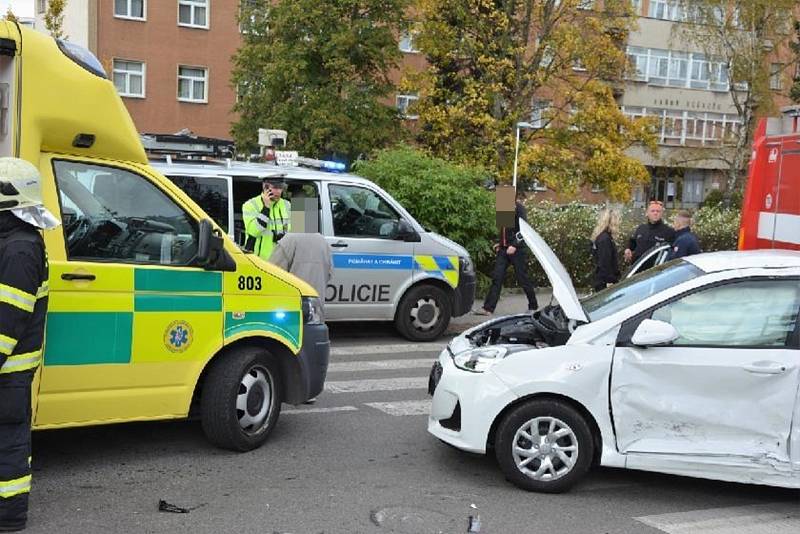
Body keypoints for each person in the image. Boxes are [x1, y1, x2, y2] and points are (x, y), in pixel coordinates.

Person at [0, 158, 60, 532]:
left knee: (8, 444)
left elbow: (8, 320)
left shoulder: (20, 248)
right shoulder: (12, 241)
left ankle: (9, 516)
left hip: (8, 372)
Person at [474, 192, 538, 316]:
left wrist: (514, 245)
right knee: (497, 278)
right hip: (504, 250)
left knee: (522, 278)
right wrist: (500, 243)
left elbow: (524, 230)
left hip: (517, 250)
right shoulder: (504, 207)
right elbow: (503, 229)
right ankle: (488, 308)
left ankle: (533, 306)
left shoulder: (519, 209)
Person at [269, 232, 333, 319]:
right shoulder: (323, 242)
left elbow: (272, 274)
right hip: (316, 310)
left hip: (292, 313)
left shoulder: (289, 241)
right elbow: (329, 273)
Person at [242, 178, 291, 261]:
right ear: (265, 187)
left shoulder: (287, 204)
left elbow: (297, 234)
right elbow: (253, 232)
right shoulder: (250, 205)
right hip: (259, 262)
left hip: (282, 261)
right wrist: (266, 207)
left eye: (281, 187)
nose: (279, 192)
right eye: (275, 187)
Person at [624, 200, 675, 264]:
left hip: (655, 271)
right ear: (647, 213)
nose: (655, 213)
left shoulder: (669, 232)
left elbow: (673, 253)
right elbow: (632, 243)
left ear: (662, 214)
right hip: (637, 268)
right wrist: (628, 249)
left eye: (658, 211)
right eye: (652, 211)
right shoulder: (641, 228)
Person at [590, 208, 621, 292]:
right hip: (605, 282)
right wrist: (609, 280)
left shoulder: (602, 237)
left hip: (601, 279)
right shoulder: (605, 239)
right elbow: (605, 263)